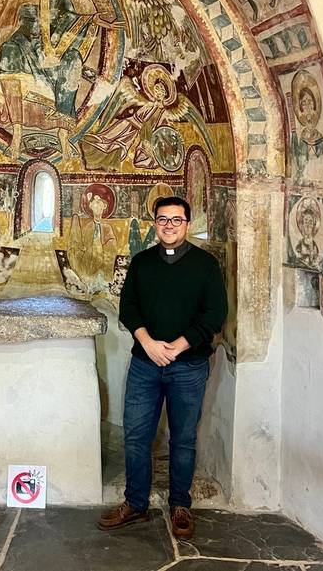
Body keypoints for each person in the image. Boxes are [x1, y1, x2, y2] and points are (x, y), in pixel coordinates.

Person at [98, 196, 227, 539]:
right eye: (163, 219)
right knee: (137, 436)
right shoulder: (142, 263)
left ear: (187, 224)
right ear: (155, 223)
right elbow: (128, 308)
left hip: (189, 366)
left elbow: (215, 314)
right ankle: (136, 503)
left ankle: (180, 506)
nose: (169, 225)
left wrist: (180, 345)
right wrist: (149, 344)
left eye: (176, 220)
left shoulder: (205, 265)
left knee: (182, 439)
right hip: (145, 364)